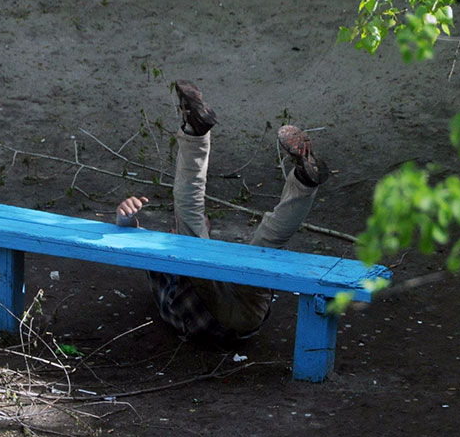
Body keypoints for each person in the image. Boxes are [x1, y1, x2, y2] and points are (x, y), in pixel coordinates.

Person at [115, 80, 329, 345]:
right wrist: (125, 216)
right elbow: (129, 237)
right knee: (256, 240)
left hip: (238, 314)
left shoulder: (193, 259)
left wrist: (125, 220)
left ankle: (304, 181)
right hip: (216, 320)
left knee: (263, 246)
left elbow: (132, 238)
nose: (176, 229)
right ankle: (197, 132)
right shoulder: (166, 255)